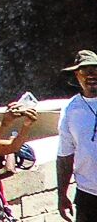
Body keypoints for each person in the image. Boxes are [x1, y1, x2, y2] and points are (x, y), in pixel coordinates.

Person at [61, 50, 97, 222]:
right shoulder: (70, 109)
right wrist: (62, 194)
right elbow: (65, 155)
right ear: (77, 75)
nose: (91, 75)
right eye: (85, 70)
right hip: (87, 195)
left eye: (95, 70)